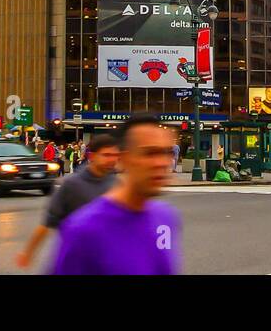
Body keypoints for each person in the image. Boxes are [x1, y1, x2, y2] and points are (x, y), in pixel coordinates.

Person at [51, 115, 180, 275]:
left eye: (167, 152)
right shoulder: (83, 230)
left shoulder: (166, 217)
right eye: (150, 153)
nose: (162, 163)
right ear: (124, 159)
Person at [17, 133, 120, 269]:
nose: (112, 160)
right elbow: (48, 222)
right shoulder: (71, 184)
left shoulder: (117, 183)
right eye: (106, 155)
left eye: (115, 155)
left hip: (108, 259)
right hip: (75, 259)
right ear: (92, 156)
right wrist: (28, 252)